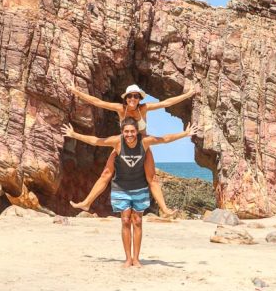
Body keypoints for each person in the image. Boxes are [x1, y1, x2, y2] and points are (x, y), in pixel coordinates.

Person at [61, 117, 197, 268]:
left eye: (132, 131)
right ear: (122, 132)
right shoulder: (117, 142)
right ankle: (127, 258)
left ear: (137, 132)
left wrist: (185, 134)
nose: (129, 134)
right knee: (125, 220)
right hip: (121, 187)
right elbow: (96, 141)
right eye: (126, 131)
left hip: (140, 187)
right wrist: (74, 135)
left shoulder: (144, 142)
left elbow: (164, 139)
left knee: (137, 221)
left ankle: (136, 259)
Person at [68, 83, 199, 216]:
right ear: (126, 98)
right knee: (106, 174)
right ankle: (86, 203)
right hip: (123, 144)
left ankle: (164, 209)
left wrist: (187, 95)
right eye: (130, 96)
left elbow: (166, 103)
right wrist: (76, 92)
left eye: (136, 96)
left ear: (139, 98)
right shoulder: (120, 109)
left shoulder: (144, 108)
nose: (133, 99)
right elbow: (98, 102)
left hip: (142, 145)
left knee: (152, 178)